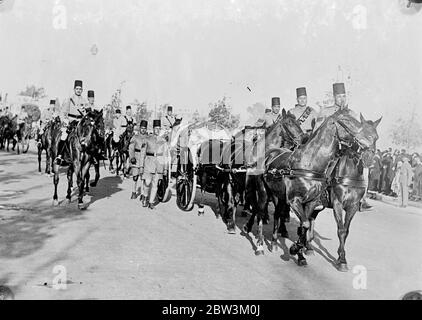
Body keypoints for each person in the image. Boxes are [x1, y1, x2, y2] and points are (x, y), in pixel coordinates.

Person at [56, 80, 88, 164]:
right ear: (74, 89)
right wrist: (65, 120)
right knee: (64, 136)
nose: (78, 90)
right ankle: (60, 156)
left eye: (80, 89)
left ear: (82, 90)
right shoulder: (69, 100)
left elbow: (86, 113)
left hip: (80, 122)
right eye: (77, 89)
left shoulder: (84, 101)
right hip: (70, 121)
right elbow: (62, 112)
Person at [140, 119, 168, 209]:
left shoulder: (163, 141)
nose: (158, 130)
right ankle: (145, 195)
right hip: (149, 162)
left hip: (159, 164)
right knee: (147, 183)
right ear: (153, 129)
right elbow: (142, 153)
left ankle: (151, 202)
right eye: (156, 128)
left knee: (155, 184)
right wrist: (141, 166)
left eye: (159, 128)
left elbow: (166, 155)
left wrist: (165, 168)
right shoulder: (147, 139)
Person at [129, 120, 149, 200]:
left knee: (143, 178)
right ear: (139, 128)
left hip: (145, 159)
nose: (143, 130)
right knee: (135, 176)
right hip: (136, 158)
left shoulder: (148, 138)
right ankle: (134, 192)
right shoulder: (135, 137)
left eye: (144, 128)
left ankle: (143, 194)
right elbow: (131, 148)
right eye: (142, 128)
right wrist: (132, 157)